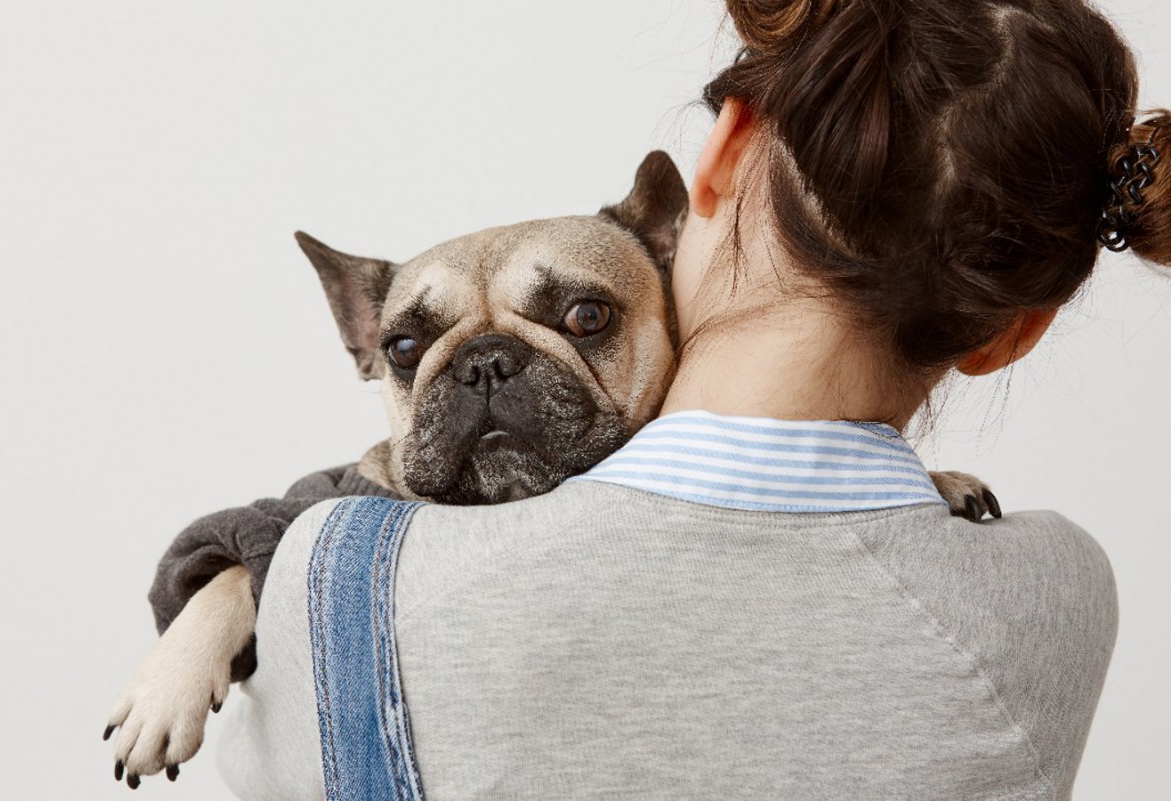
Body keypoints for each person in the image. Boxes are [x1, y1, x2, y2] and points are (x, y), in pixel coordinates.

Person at [216, 1, 1170, 798]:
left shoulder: (341, 578)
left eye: (585, 315)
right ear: (1014, 329)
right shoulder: (1056, 592)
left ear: (718, 156)